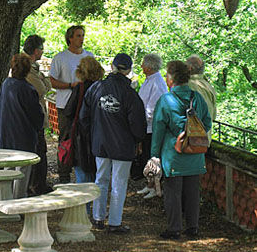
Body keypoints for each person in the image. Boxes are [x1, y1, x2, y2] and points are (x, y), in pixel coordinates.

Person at [80, 53, 147, 233]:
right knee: (119, 183)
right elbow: (138, 124)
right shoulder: (131, 95)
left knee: (100, 179)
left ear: (112, 66)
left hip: (100, 143)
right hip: (123, 146)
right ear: (128, 71)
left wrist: (93, 135)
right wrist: (137, 140)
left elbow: (83, 117)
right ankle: (115, 222)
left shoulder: (96, 88)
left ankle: (98, 217)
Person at [151, 60, 211, 240]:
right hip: (195, 151)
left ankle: (174, 228)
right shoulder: (197, 97)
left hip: (174, 153)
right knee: (193, 192)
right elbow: (207, 122)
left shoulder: (166, 100)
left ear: (171, 78)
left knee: (173, 192)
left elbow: (158, 129)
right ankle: (193, 227)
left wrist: (154, 155)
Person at [49, 25, 94, 183]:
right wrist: (70, 86)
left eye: (82, 35)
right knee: (66, 140)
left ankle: (86, 173)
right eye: (78, 36)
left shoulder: (89, 56)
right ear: (70, 38)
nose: (81, 38)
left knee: (86, 139)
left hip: (85, 105)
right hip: (65, 106)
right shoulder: (60, 57)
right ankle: (64, 176)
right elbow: (52, 81)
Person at [0, 53, 44, 199]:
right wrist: (39, 126)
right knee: (22, 172)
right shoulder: (28, 89)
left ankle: (5, 199)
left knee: (8, 168)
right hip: (24, 136)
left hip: (7, 133)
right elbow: (36, 115)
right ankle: (18, 202)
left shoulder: (6, 85)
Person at [63, 56, 104, 184]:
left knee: (81, 175)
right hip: (99, 135)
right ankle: (95, 203)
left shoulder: (79, 88)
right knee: (96, 173)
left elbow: (68, 111)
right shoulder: (102, 88)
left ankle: (85, 203)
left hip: (80, 136)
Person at [23, 35, 53, 196]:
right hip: (33, 118)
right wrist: (44, 80)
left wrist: (44, 80)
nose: (43, 51)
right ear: (36, 50)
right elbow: (42, 89)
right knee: (38, 151)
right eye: (42, 48)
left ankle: (37, 184)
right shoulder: (28, 68)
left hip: (33, 117)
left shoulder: (31, 66)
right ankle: (36, 186)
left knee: (40, 150)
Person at [137, 53, 168, 199]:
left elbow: (153, 107)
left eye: (143, 63)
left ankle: (155, 187)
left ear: (149, 66)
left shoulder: (157, 82)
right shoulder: (150, 80)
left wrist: (143, 120)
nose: (141, 66)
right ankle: (149, 185)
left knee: (152, 158)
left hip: (151, 127)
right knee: (147, 157)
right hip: (145, 125)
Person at [186, 54, 217, 145]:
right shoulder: (208, 86)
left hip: (191, 140)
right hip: (205, 139)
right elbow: (213, 116)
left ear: (189, 68)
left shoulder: (188, 86)